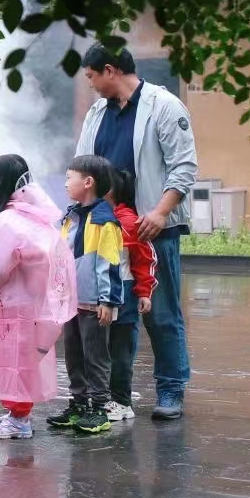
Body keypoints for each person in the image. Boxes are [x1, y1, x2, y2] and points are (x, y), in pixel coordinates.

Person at [75, 42, 197, 419]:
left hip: (149, 229)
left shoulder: (164, 106)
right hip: (106, 230)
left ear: (110, 71)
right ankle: (115, 395)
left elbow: (184, 167)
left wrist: (160, 212)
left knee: (160, 313)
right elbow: (83, 167)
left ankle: (171, 390)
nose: (90, 84)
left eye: (92, 76)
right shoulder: (97, 113)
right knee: (111, 315)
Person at [0, 155, 78, 440]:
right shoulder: (36, 215)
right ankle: (17, 414)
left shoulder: (6, 220)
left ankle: (19, 420)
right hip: (34, 304)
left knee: (12, 361)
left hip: (12, 307)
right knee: (24, 361)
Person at [51, 154, 122, 435]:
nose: (66, 183)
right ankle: (79, 404)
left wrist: (108, 301)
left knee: (95, 356)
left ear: (88, 182)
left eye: (70, 177)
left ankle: (100, 409)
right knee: (73, 354)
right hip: (71, 302)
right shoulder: (71, 217)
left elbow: (110, 262)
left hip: (93, 303)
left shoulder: (104, 220)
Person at [108, 168, 156, 423]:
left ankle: (121, 401)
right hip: (102, 294)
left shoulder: (128, 223)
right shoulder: (94, 219)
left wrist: (144, 291)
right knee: (109, 350)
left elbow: (143, 259)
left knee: (121, 350)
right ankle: (107, 398)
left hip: (123, 293)